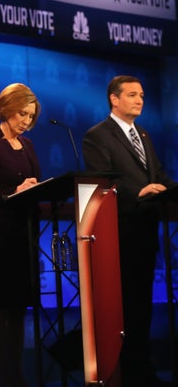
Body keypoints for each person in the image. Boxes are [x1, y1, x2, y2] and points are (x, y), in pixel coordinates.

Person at [82, 75, 174, 386]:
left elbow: (158, 174)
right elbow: (103, 181)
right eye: (132, 95)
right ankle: (124, 373)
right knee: (123, 307)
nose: (140, 100)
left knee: (143, 306)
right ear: (114, 99)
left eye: (142, 96)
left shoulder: (143, 135)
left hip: (146, 233)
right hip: (119, 234)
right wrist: (138, 193)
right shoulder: (97, 136)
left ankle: (143, 370)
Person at [0, 83, 41, 387]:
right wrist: (15, 191)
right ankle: (5, 377)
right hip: (2, 238)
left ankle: (16, 374)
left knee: (18, 310)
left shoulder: (27, 146)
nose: (27, 121)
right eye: (22, 113)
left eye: (31, 116)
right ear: (7, 109)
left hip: (25, 236)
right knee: (2, 310)